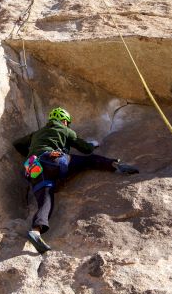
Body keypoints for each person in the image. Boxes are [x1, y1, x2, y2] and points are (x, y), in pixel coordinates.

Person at [13, 107, 139, 254]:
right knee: (89, 161)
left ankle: (36, 231)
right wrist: (92, 144)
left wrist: (30, 152)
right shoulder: (65, 130)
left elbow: (17, 144)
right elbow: (85, 149)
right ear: (64, 121)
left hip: (34, 167)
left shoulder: (37, 134)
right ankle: (115, 165)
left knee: (45, 200)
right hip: (54, 159)